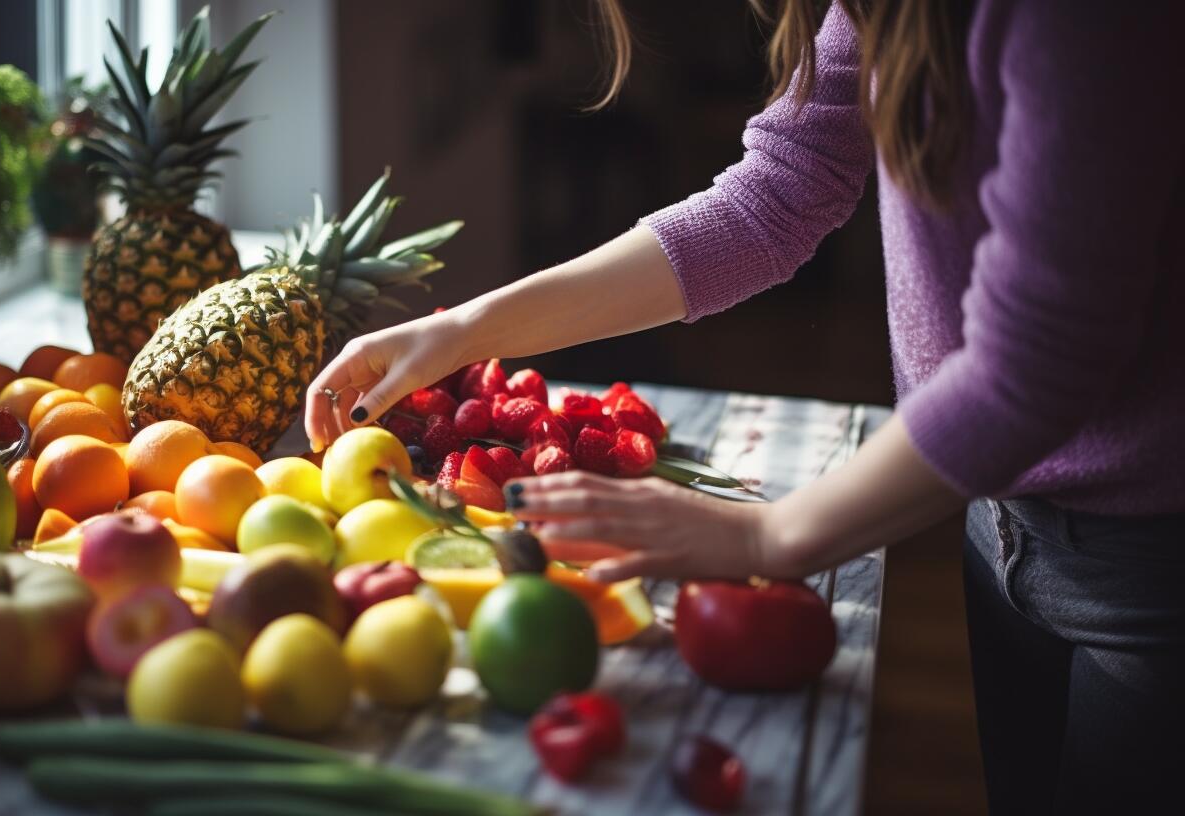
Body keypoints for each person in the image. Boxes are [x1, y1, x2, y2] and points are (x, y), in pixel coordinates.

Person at [305, 1, 1183, 812]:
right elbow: (778, 193)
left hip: (1153, 561)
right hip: (1004, 515)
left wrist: (767, 538)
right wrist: (468, 328)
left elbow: (1038, 362)